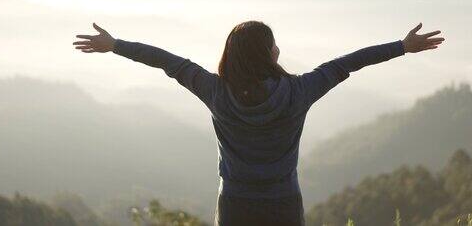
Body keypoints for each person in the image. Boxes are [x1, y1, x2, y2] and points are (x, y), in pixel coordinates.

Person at [73, 20, 444, 226]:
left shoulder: (216, 92)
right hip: (283, 203)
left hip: (235, 204)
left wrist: (116, 45)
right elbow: (348, 62)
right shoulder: (299, 91)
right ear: (267, 53)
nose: (278, 50)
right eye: (273, 44)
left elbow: (168, 61)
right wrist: (401, 46)